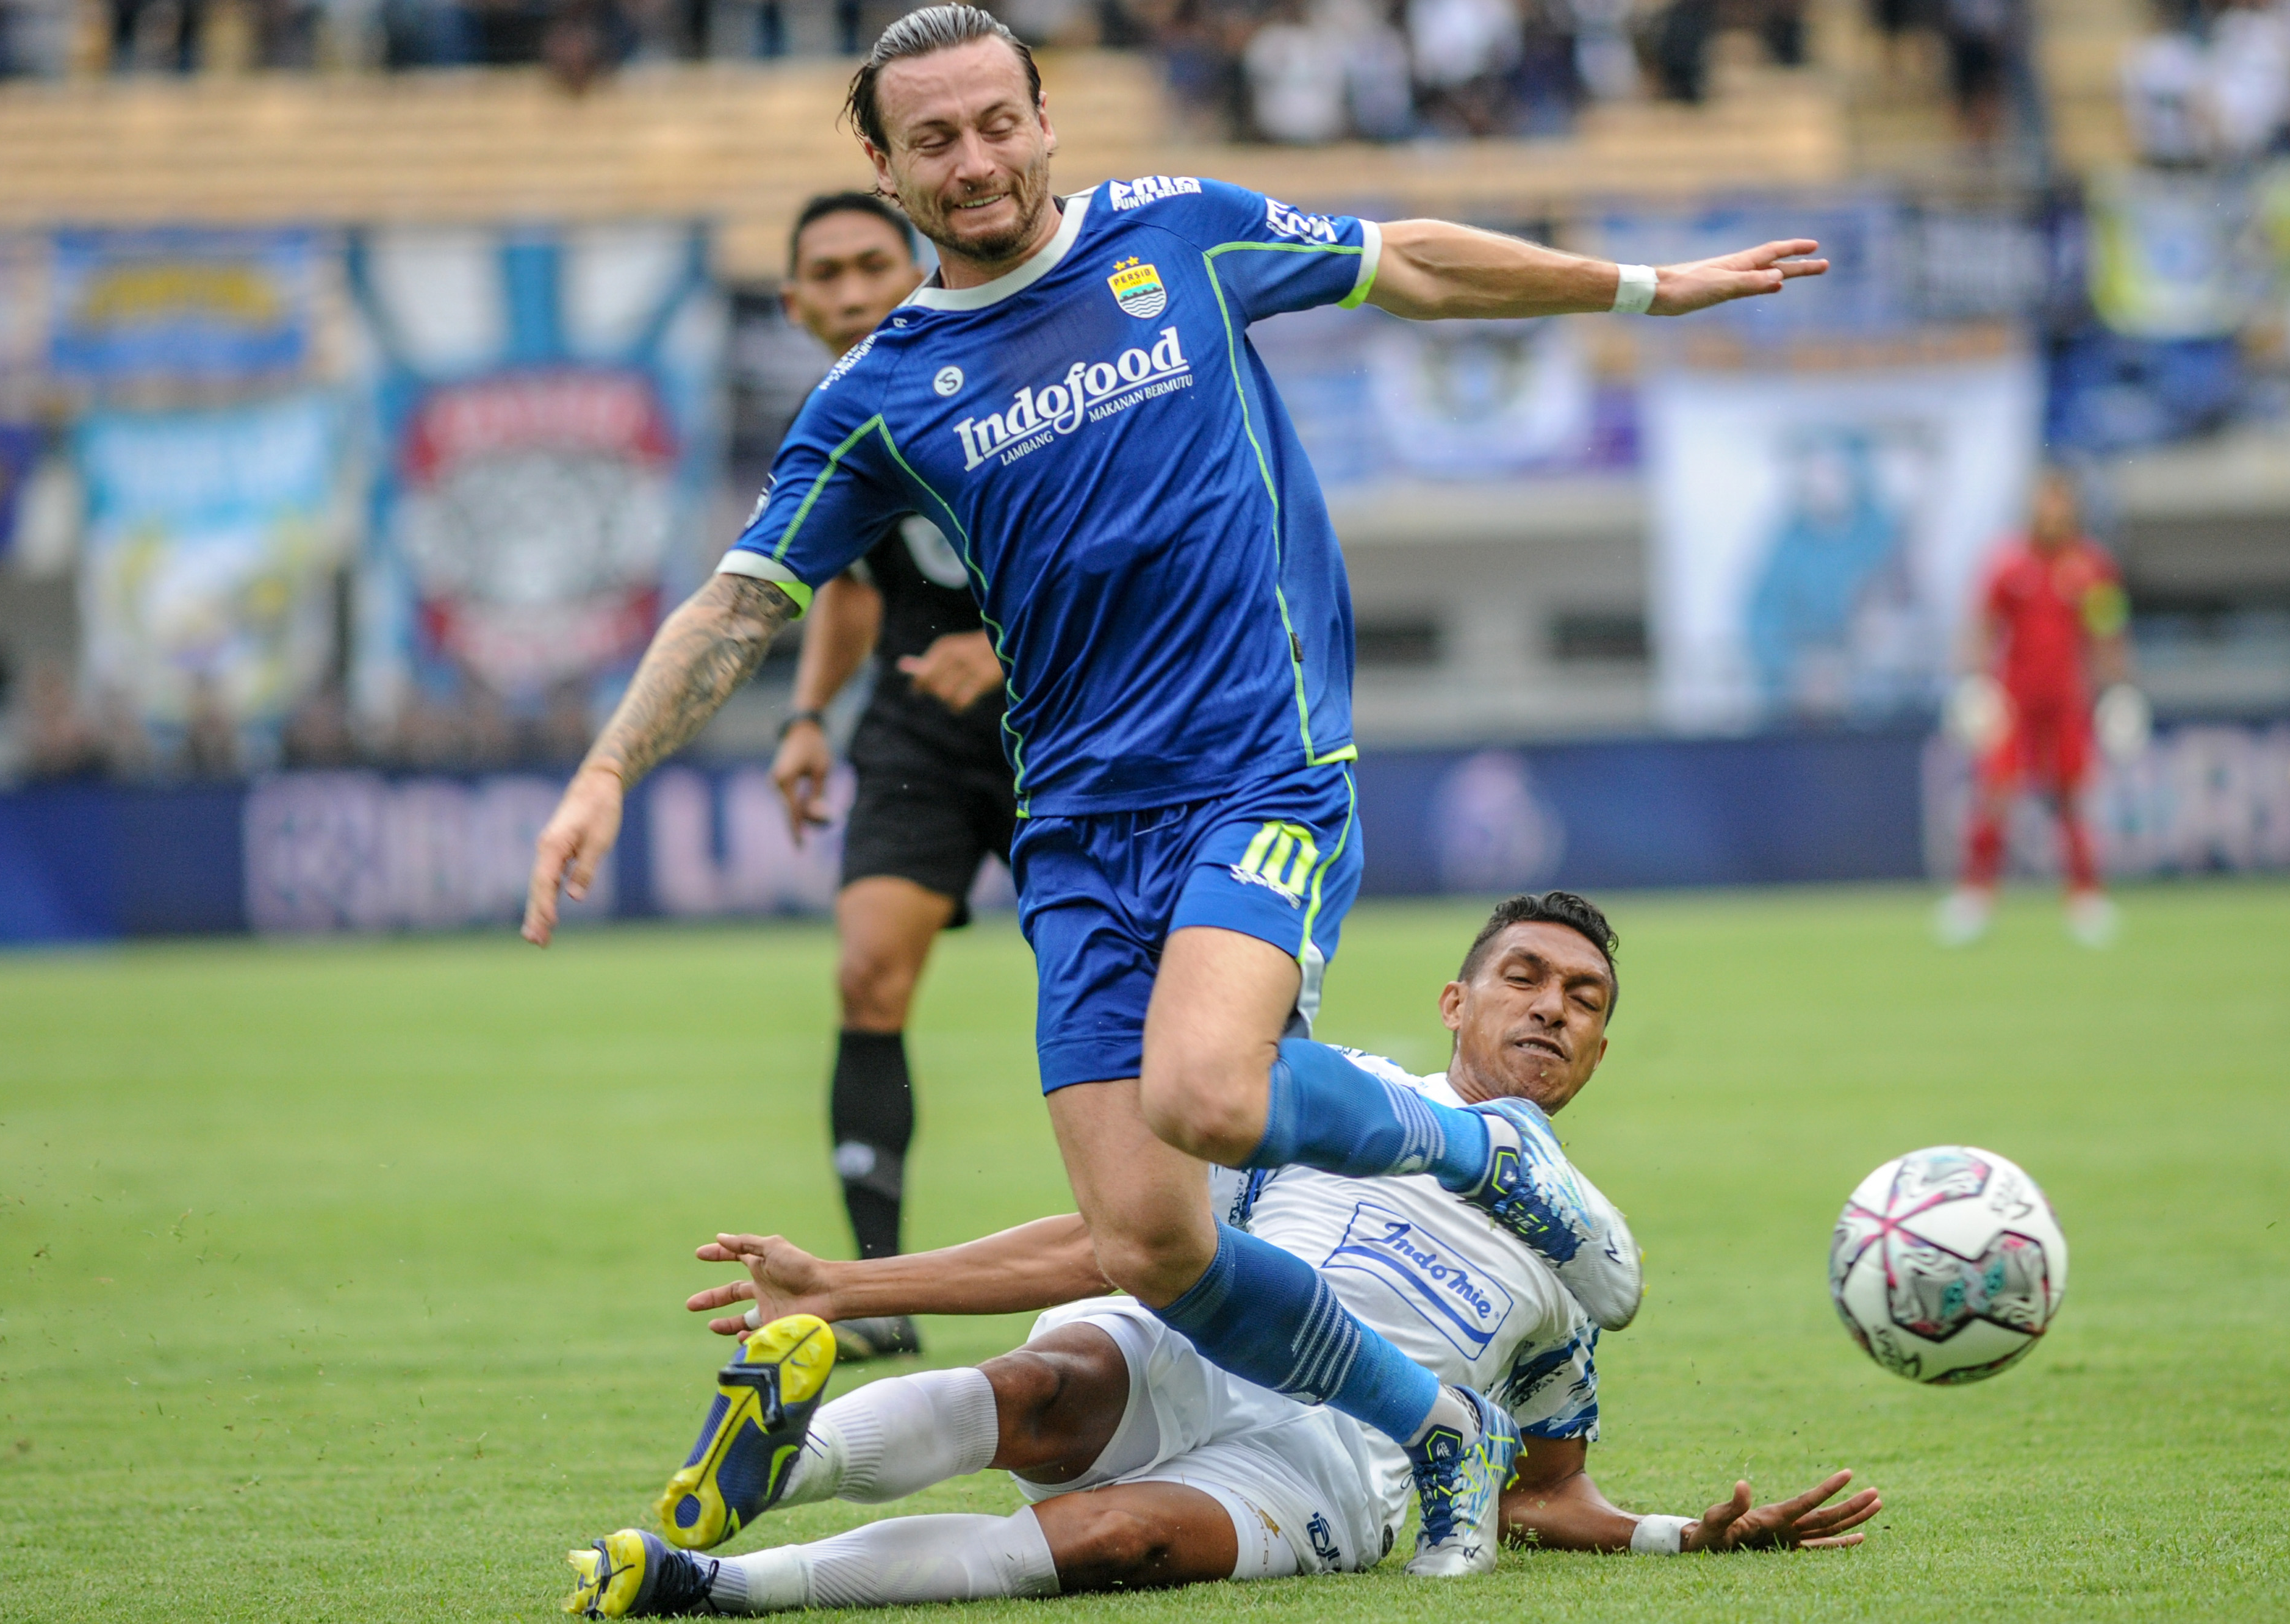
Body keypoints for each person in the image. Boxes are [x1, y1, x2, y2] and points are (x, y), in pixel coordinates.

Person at [520, 2, 1827, 1576]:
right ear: (882, 165)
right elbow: (742, 599)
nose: (975, 157)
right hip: (1075, 834)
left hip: (1254, 771)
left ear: (1046, 118)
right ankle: (1434, 1425)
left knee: (1206, 1091)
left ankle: (1471, 1149)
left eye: (998, 120)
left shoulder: (1178, 235)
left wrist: (1643, 286)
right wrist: (602, 770)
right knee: (1153, 1239)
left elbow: (1403, 259)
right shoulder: (880, 390)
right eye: (932, 138)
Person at [562, 893, 1881, 1616]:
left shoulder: (1575, 1269)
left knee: (1110, 1540)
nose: (1549, 1004)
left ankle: (709, 1577)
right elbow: (1113, 1236)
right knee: (1050, 1380)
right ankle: (760, 1469)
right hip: (1192, 1350)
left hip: (1320, 1465)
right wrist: (848, 1282)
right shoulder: (1314, 1093)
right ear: (1456, 1001)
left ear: (1597, 1049)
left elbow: (1538, 1491)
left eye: (1581, 998)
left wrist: (1673, 1538)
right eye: (1523, 975)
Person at [766, 190, 1019, 1363]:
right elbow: (859, 587)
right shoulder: (836, 413)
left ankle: (1183, 1239)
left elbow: (1122, 544)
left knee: (1122, 988)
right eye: (830, 273)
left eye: (876, 262)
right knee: (869, 974)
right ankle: (874, 1286)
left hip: (1062, 719)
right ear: (797, 302)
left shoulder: (1002, 364)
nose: (856, 288)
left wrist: (1008, 641)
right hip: (918, 726)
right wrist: (811, 714)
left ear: (916, 264)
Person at [1940, 468, 2142, 949]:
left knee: (2073, 795)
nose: (2053, 513)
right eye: (2045, 503)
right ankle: (1976, 895)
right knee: (1996, 792)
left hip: (2066, 699)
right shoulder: (2008, 564)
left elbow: (2107, 634)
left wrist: (2120, 689)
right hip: (2014, 698)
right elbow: (1981, 628)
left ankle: (2085, 897)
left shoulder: (2092, 567)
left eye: (2061, 503)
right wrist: (1972, 682)